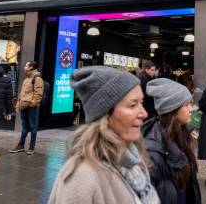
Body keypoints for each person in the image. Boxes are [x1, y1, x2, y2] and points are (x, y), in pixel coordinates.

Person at [48, 66, 159, 204]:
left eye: (141, 103)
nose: (144, 114)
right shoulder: (82, 178)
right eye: (132, 105)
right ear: (105, 116)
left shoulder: (132, 159)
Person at [143, 78, 201, 204]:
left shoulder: (181, 135)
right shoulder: (153, 149)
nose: (191, 109)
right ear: (172, 110)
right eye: (187, 105)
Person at [10, 61, 43, 155]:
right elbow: (22, 94)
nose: (24, 67)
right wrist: (18, 105)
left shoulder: (37, 78)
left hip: (31, 107)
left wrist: (33, 103)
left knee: (33, 126)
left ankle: (31, 146)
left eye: (26, 65)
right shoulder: (26, 79)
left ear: (31, 67)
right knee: (25, 126)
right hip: (23, 106)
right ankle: (21, 145)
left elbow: (39, 93)